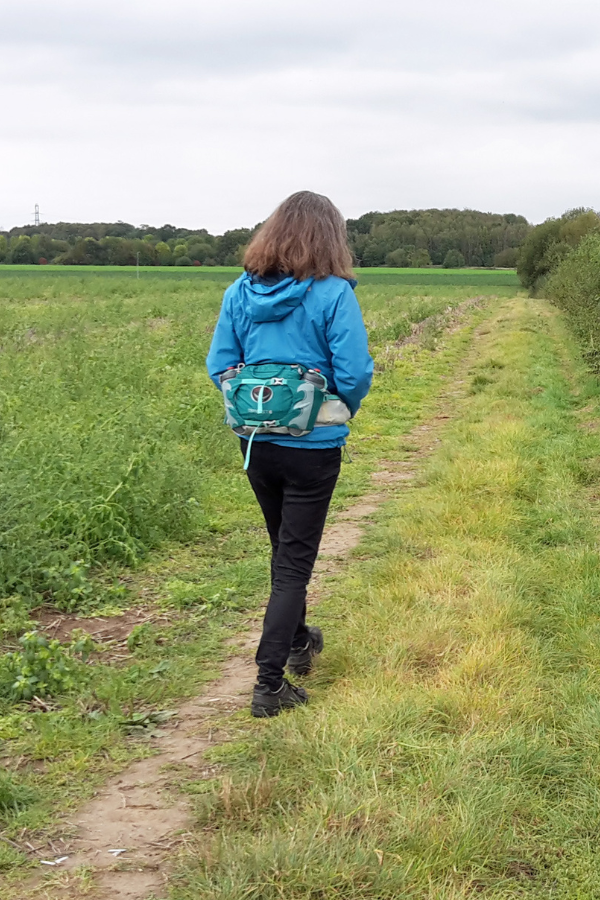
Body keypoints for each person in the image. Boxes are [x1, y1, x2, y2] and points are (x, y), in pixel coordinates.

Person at [206, 191, 374, 718]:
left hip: (256, 444)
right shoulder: (333, 293)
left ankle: (300, 640)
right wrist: (330, 410)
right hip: (312, 449)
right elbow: (354, 372)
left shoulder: (239, 290)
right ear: (330, 237)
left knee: (282, 547)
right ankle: (269, 682)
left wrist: (257, 409)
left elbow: (220, 364)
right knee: (294, 563)